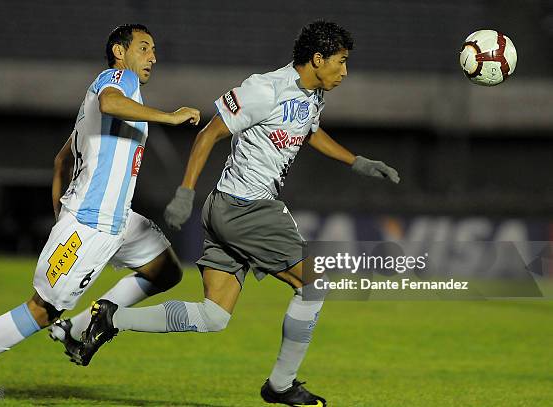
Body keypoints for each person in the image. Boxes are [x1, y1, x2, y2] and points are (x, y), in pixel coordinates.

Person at [78, 20, 399, 407]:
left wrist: (357, 161)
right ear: (318, 59)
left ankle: (111, 317)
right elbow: (209, 133)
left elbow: (309, 130)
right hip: (246, 207)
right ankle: (281, 385)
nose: (345, 72)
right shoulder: (264, 89)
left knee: (214, 316)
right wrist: (184, 193)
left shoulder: (312, 95)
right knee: (314, 283)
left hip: (224, 208)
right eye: (341, 62)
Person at [0, 23, 200, 402]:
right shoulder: (117, 80)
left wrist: (60, 215)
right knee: (43, 309)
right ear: (119, 51)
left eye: (154, 50)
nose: (152, 57)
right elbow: (111, 103)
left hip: (117, 220)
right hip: (92, 222)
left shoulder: (95, 105)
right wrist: (170, 116)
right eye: (144, 48)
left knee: (166, 270)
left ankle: (78, 328)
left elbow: (61, 160)